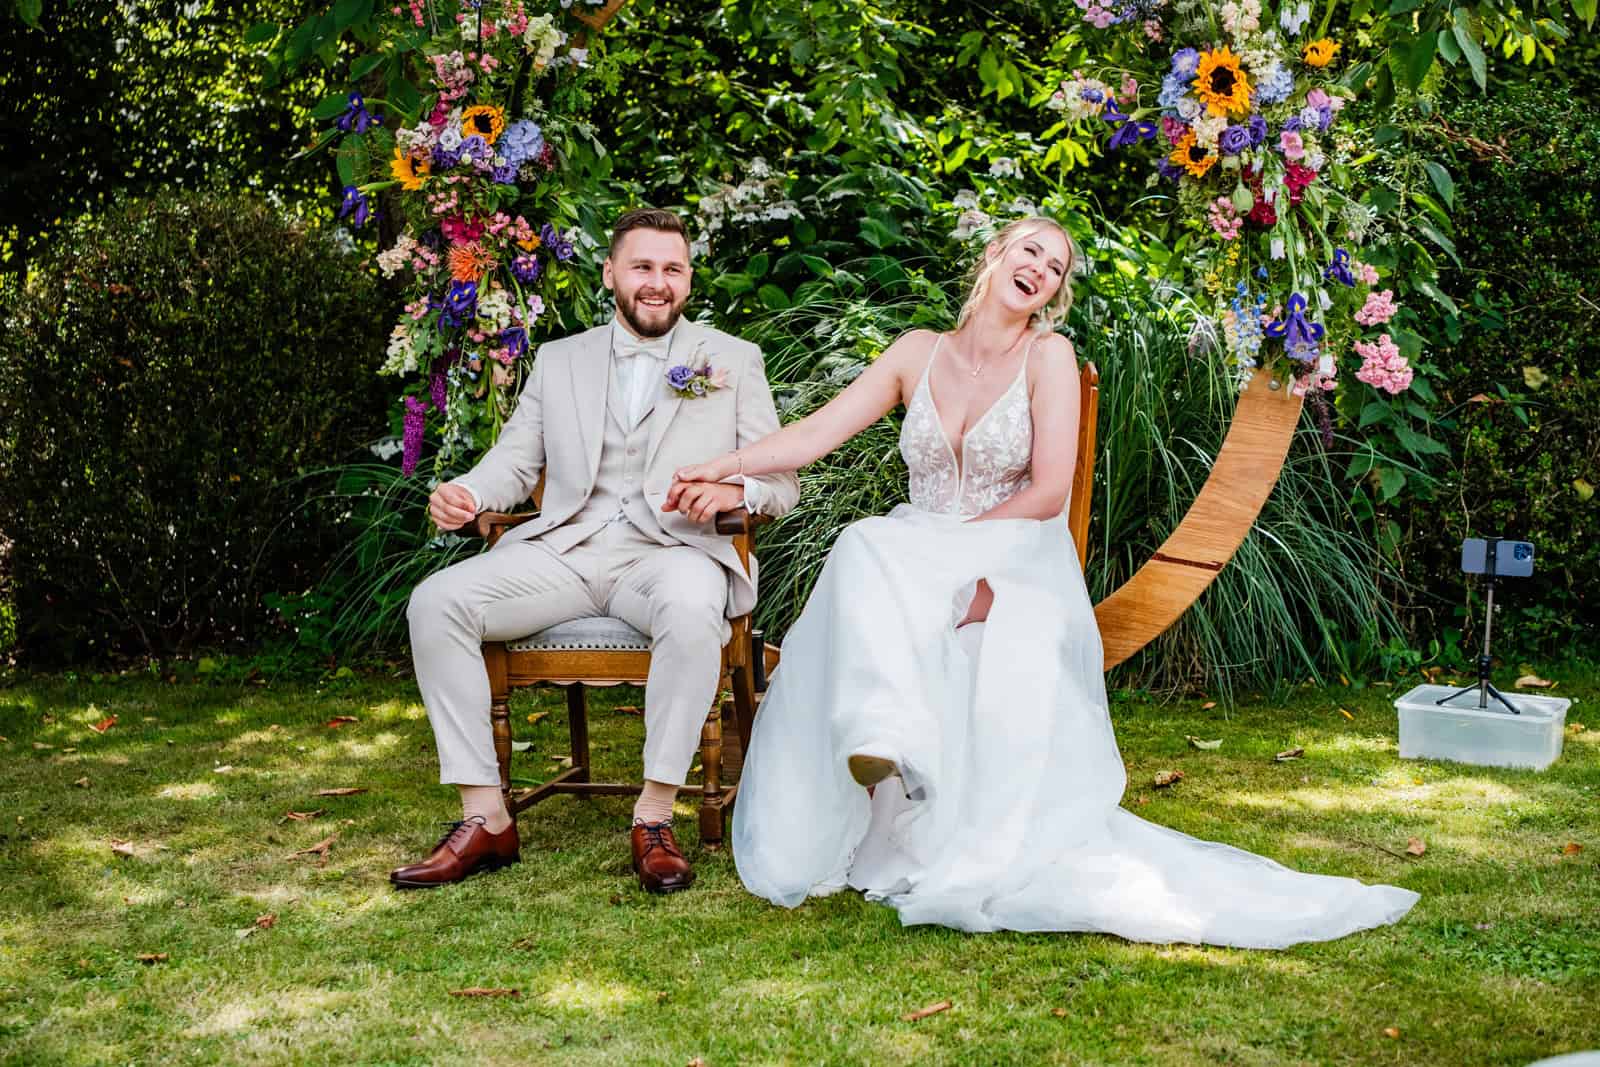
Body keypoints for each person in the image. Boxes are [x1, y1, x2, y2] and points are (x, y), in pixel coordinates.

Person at [669, 216, 1419, 946]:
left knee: (880, 551)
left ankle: (889, 738)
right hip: (918, 540)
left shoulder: (1047, 357)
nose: (1040, 270)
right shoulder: (916, 352)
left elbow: (1050, 491)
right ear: (996, 255)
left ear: (1053, 292)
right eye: (1031, 251)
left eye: (1056, 268)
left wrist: (960, 552)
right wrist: (722, 465)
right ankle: (882, 743)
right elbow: (820, 432)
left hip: (1013, 553)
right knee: (867, 543)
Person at [392, 208, 798, 893]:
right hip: (566, 551)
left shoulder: (730, 360)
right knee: (436, 602)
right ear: (611, 273)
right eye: (642, 267)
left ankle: (655, 815)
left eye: (672, 269)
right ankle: (485, 816)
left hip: (674, 552)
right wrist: (464, 491)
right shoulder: (560, 360)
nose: (657, 283)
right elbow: (514, 465)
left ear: (689, 280)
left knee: (694, 605)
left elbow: (781, 481)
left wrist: (737, 496)